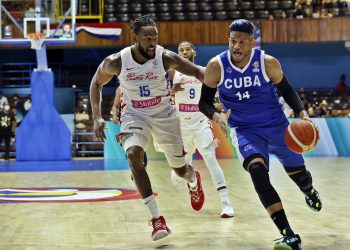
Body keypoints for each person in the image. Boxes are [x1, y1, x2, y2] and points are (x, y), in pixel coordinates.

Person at [198, 19, 322, 250]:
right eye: (232, 41)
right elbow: (204, 102)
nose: (236, 46)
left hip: (277, 126)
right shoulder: (216, 66)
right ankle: (287, 232)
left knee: (300, 177)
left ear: (252, 43)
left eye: (242, 42)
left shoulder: (267, 63)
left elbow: (287, 90)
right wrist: (217, 117)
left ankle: (309, 190)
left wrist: (303, 114)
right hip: (245, 130)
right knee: (257, 172)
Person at [90, 15, 205, 241]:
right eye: (147, 38)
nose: (152, 42)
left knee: (180, 170)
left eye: (155, 37)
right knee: (133, 155)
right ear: (136, 38)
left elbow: (198, 72)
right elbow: (96, 83)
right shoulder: (117, 61)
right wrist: (96, 117)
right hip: (134, 114)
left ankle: (193, 180)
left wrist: (218, 92)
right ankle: (156, 219)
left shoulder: (165, 57)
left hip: (164, 114)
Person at [169, 41, 235, 218]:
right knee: (176, 176)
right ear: (178, 54)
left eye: (187, 49)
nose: (184, 52)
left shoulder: (204, 71)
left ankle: (226, 204)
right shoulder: (172, 71)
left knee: (211, 161)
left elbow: (217, 94)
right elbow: (162, 94)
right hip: (180, 127)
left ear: (194, 52)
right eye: (181, 50)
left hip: (200, 124)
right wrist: (171, 90)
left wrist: (221, 111)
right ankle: (193, 184)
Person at [111, 85, 148, 173]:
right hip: (127, 121)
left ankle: (141, 167)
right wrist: (114, 115)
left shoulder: (141, 84)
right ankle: (135, 167)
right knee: (130, 148)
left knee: (141, 147)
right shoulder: (120, 89)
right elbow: (115, 105)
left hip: (143, 119)